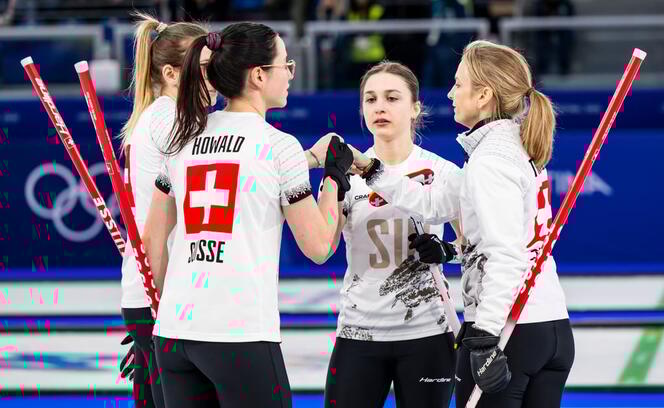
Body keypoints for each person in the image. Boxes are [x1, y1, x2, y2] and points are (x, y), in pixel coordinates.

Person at [141, 22, 354, 407]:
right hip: (238, 335)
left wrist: (164, 313)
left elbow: (153, 241)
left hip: (173, 333)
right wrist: (334, 178)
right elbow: (320, 246)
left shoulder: (183, 136)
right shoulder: (279, 145)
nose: (290, 74)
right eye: (285, 65)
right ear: (258, 75)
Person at [352, 39, 574, 407]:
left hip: (509, 330)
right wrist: (371, 169)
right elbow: (436, 203)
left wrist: (484, 335)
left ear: (484, 95)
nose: (451, 94)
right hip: (549, 325)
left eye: (458, 84)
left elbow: (505, 254)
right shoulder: (512, 148)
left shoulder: (491, 161)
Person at [318, 61, 462, 408]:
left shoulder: (444, 172)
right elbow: (323, 248)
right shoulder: (345, 175)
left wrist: (446, 250)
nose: (379, 107)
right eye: (371, 99)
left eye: (392, 98)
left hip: (428, 331)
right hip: (359, 330)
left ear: (415, 108)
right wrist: (332, 184)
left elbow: (472, 245)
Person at [117, 13, 208, 408]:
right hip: (163, 287)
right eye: (203, 67)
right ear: (171, 74)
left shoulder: (159, 115)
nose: (214, 77)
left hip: (151, 288)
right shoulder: (171, 118)